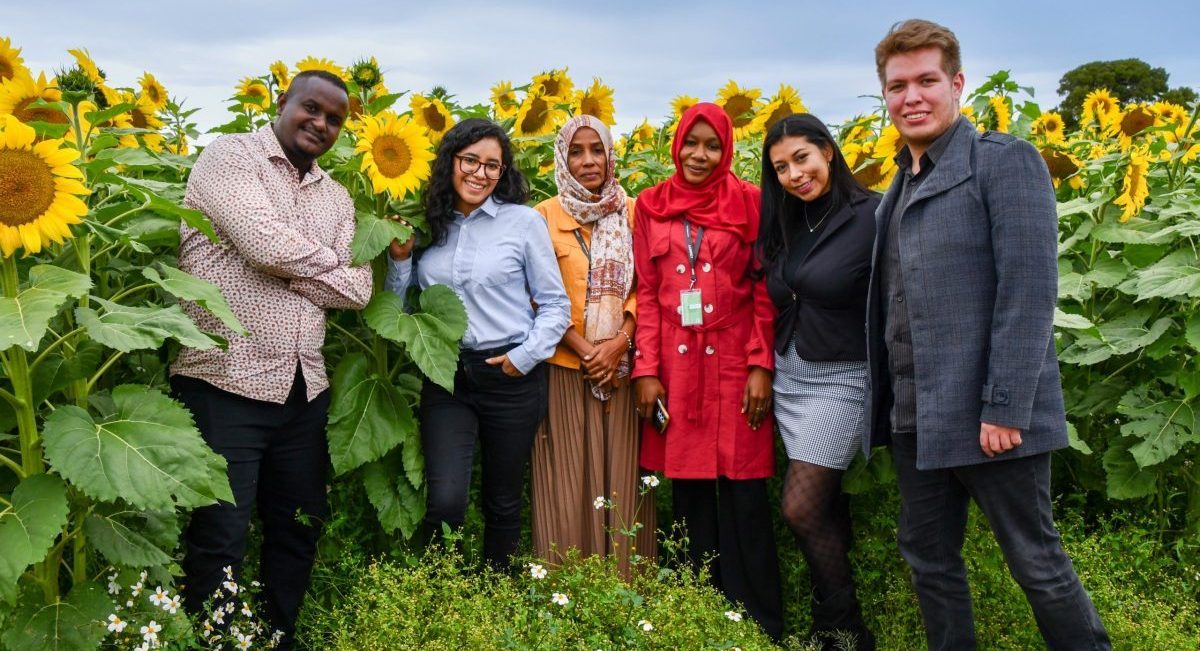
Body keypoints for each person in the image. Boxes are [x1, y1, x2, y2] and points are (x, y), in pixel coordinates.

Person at [865, 19, 1111, 650]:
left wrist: (1004, 407)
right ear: (884, 95)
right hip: (918, 418)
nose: (912, 97)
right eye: (898, 86)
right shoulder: (897, 185)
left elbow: (1029, 293)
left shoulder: (1003, 162)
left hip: (991, 420)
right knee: (928, 560)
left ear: (957, 84)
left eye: (926, 80)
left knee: (1035, 562)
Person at [171, 70, 372, 649]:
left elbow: (358, 290)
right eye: (312, 108)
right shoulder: (229, 158)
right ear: (281, 102)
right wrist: (315, 264)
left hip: (303, 389)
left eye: (335, 119)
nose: (322, 124)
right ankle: (216, 639)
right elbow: (261, 243)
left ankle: (279, 634)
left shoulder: (336, 196)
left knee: (297, 527)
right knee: (221, 532)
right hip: (224, 378)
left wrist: (285, 262)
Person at [385, 118, 570, 571]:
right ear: (451, 162)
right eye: (471, 160)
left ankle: (495, 599)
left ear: (503, 173)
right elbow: (398, 306)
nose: (480, 173)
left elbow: (555, 306)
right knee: (445, 498)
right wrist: (400, 260)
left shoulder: (522, 223)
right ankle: (441, 593)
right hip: (446, 375)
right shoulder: (430, 224)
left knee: (503, 501)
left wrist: (522, 359)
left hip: (510, 374)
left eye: (493, 165)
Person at [631, 102, 782, 639]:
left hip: (736, 363)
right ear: (676, 145)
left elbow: (765, 291)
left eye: (711, 145)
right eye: (690, 143)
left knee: (745, 494)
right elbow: (648, 295)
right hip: (675, 365)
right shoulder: (650, 206)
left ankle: (761, 625)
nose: (699, 155)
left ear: (727, 150)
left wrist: (762, 365)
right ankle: (700, 614)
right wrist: (646, 369)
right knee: (690, 492)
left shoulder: (753, 204)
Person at [756, 113, 879, 649]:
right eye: (780, 167)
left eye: (801, 158)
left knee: (800, 507)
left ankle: (844, 627)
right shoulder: (787, 221)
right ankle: (831, 614)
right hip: (790, 375)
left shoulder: (873, 215)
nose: (793, 174)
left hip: (844, 377)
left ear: (828, 152)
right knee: (822, 503)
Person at [531, 115, 657, 573]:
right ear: (562, 159)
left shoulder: (634, 210)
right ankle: (567, 591)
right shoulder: (543, 216)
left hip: (622, 369)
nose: (589, 161)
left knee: (622, 478)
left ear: (610, 154)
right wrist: (587, 350)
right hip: (565, 367)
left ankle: (628, 591)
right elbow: (535, 293)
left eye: (597, 150)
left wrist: (620, 341)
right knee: (568, 479)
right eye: (577, 152)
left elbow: (650, 286)